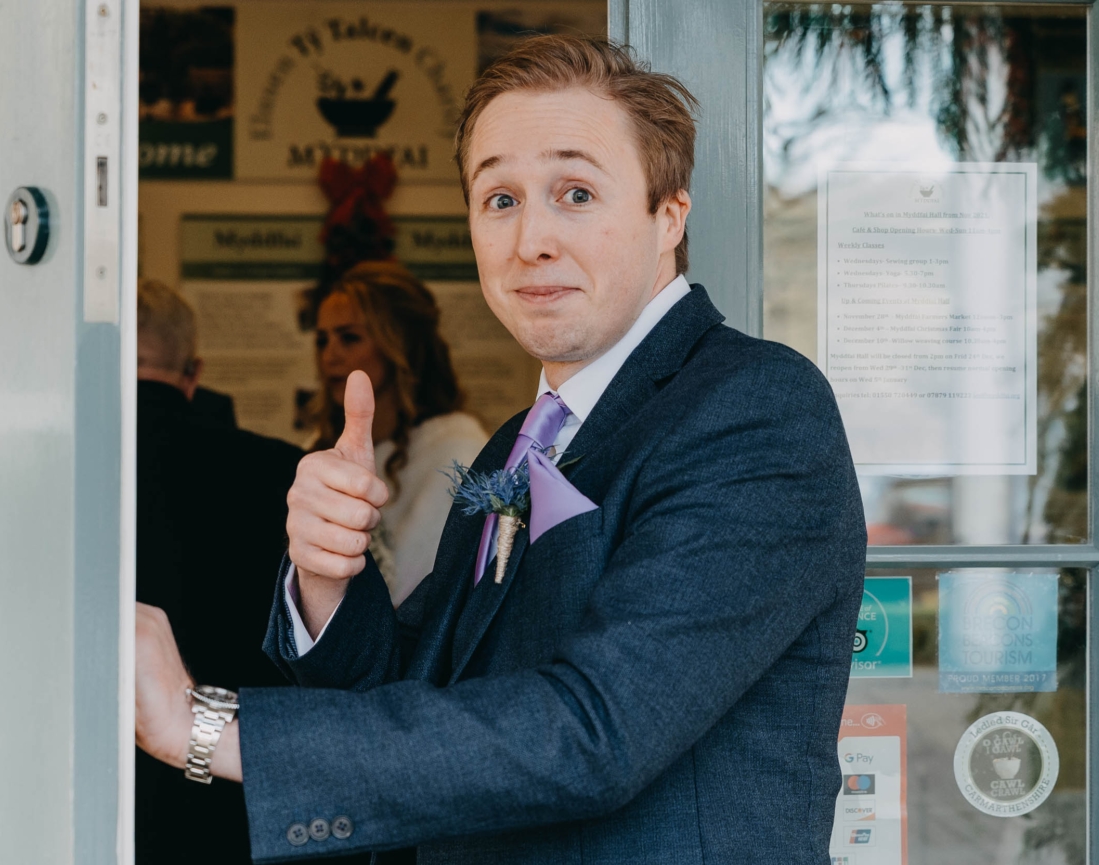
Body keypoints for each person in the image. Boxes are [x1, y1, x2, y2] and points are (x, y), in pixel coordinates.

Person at [136, 36, 867, 864]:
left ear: (669, 214)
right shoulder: (511, 446)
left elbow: (596, 731)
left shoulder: (757, 408)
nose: (532, 241)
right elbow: (421, 690)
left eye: (577, 192)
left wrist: (205, 725)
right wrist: (326, 579)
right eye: (500, 200)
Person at [133, 279, 305, 864]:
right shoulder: (279, 469)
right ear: (193, 372)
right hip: (237, 791)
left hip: (98, 788)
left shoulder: (58, 472)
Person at [305, 261, 488, 606]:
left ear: (397, 344)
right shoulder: (319, 447)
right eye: (321, 339)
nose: (330, 355)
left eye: (349, 337)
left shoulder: (456, 449)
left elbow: (423, 591)